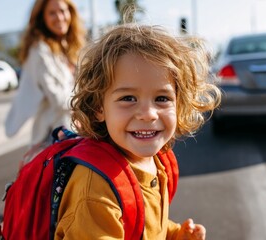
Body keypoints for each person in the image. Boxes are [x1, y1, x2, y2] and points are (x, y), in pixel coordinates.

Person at [55, 24, 222, 239]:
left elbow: (144, 225)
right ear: (99, 108)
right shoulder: (95, 191)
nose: (148, 114)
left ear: (179, 104)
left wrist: (176, 234)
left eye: (162, 98)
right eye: (128, 98)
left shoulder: (158, 161)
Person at [4, 0, 86, 161]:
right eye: (52, 13)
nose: (59, 17)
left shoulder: (68, 47)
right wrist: (90, 101)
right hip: (54, 138)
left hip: (75, 132)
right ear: (42, 18)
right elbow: (59, 99)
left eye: (63, 11)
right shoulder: (39, 50)